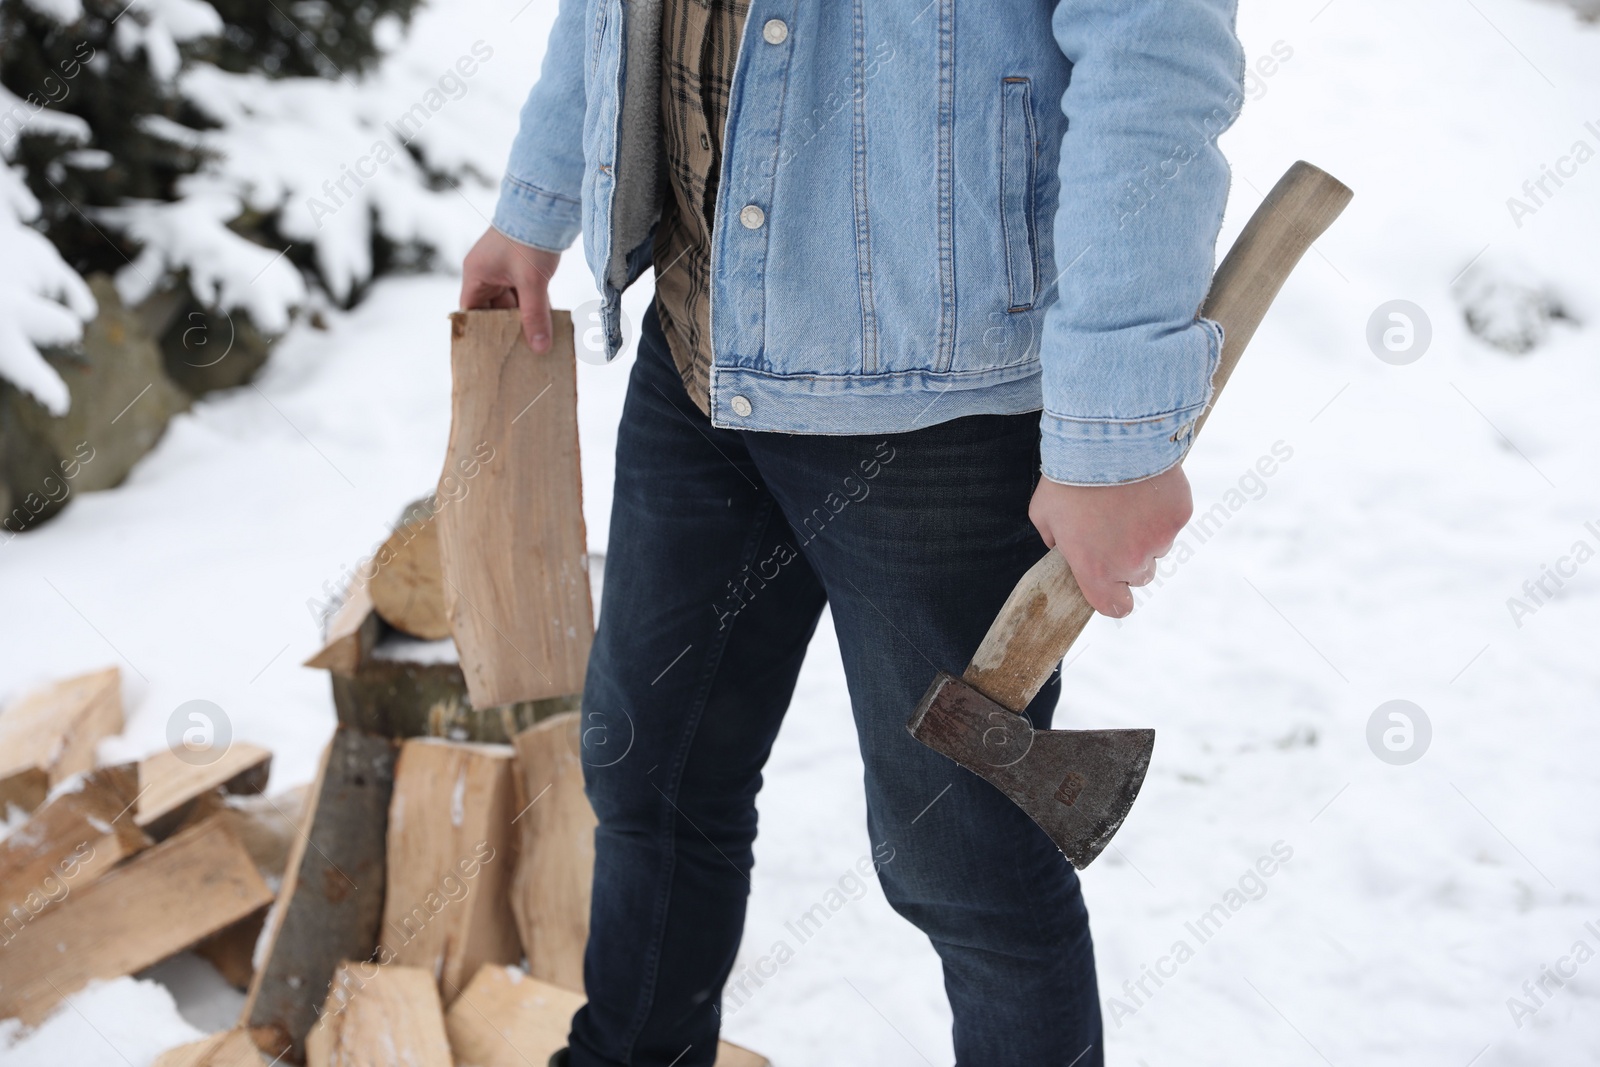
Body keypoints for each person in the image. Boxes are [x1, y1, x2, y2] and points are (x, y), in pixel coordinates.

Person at [460, 1, 1244, 1063]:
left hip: (941, 406)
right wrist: (542, 195)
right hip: (702, 354)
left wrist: (1116, 428)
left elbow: (1151, 59)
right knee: (650, 771)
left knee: (961, 864)